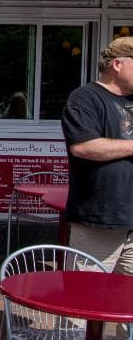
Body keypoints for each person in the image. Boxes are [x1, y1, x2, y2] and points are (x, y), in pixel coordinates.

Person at [61, 36, 133, 281]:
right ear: (118, 64)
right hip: (100, 218)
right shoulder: (85, 98)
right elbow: (84, 147)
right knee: (82, 298)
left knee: (127, 306)